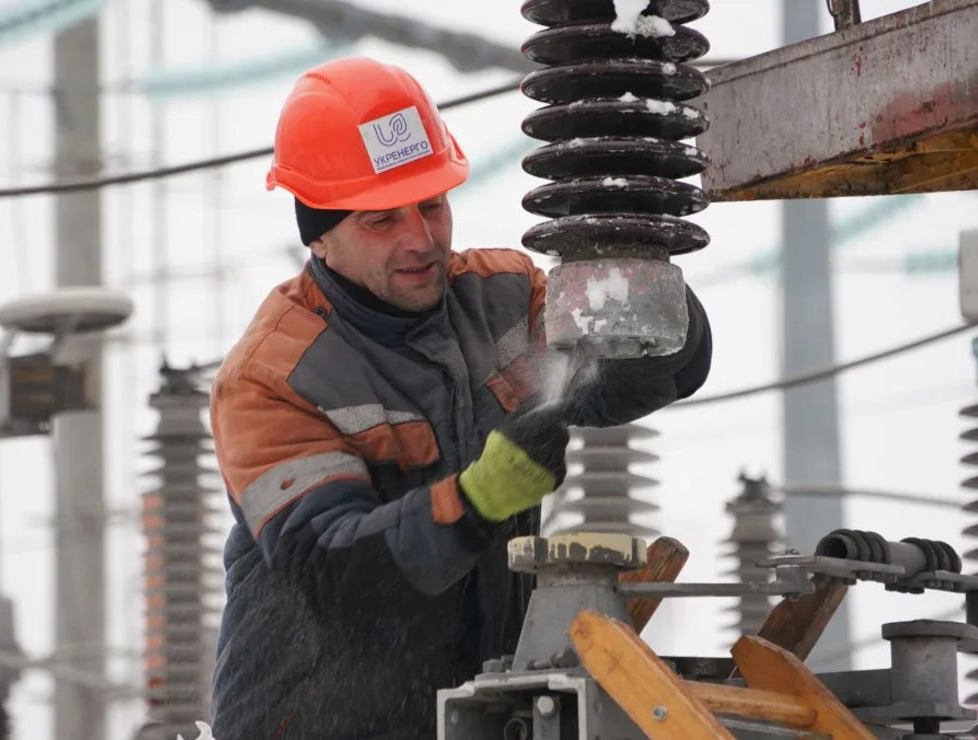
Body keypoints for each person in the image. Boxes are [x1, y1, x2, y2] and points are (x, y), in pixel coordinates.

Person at [209, 56, 712, 739]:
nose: (421, 240)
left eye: (432, 205)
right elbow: (339, 577)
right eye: (381, 220)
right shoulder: (272, 378)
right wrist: (478, 499)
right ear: (320, 236)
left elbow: (656, 373)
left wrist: (641, 289)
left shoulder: (501, 300)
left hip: (472, 715)